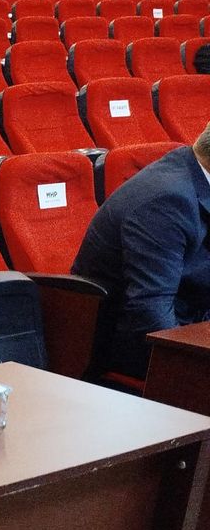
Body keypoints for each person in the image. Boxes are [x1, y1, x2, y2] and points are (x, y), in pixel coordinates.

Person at [72, 123, 210, 379]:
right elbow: (151, 317)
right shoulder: (168, 201)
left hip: (191, 319)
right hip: (131, 345)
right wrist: (192, 375)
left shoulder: (196, 171)